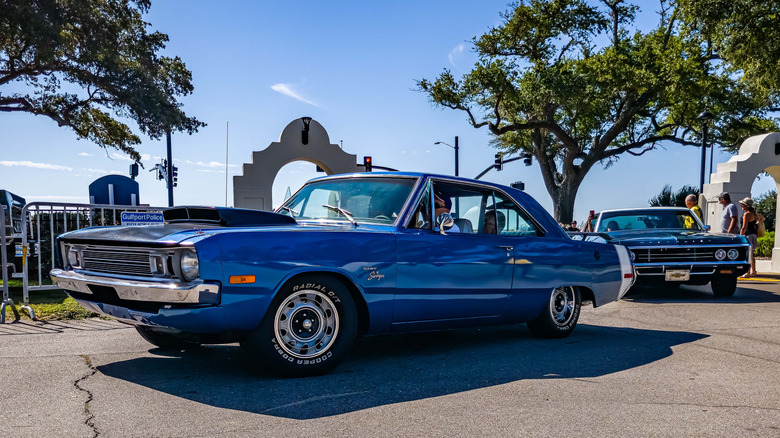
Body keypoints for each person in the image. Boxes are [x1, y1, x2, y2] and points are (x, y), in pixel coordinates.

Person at [739, 197, 759, 277]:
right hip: (753, 235)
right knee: (752, 255)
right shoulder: (754, 214)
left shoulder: (746, 214)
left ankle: (747, 272)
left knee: (747, 255)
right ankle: (753, 271)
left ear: (746, 206)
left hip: (748, 236)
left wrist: (740, 237)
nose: (741, 205)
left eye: (742, 204)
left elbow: (744, 227)